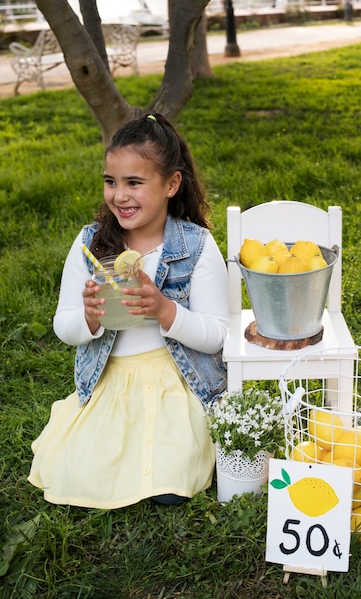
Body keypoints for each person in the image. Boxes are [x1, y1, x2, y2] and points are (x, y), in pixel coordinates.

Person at [28, 113, 229, 509]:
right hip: (112, 385)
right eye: (111, 181)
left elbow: (219, 333)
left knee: (172, 485)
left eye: (134, 183)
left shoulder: (197, 245)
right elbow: (63, 325)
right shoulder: (91, 244)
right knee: (77, 473)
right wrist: (88, 318)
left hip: (178, 386)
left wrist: (165, 310)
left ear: (171, 184)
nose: (120, 195)